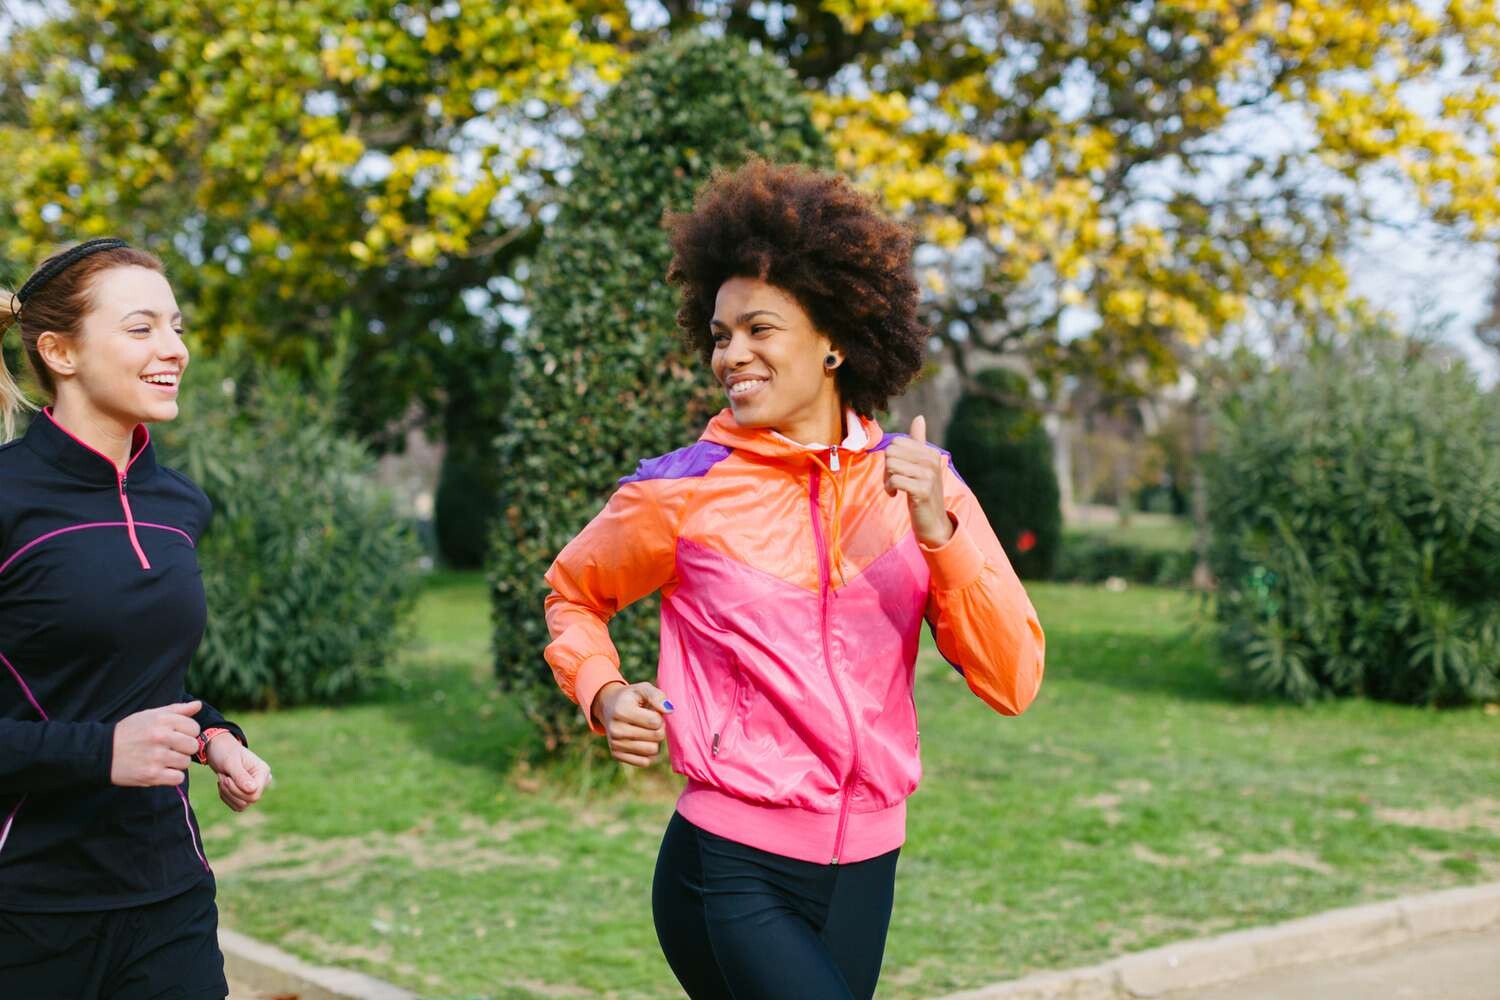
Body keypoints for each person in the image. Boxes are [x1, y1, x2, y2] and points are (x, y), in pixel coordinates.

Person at [542, 162, 1046, 1000]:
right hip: (728, 868)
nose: (730, 355)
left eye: (759, 329)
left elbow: (1013, 679)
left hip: (867, 869)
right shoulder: (684, 490)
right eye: (720, 334)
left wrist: (939, 535)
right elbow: (573, 595)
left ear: (834, 339)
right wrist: (604, 690)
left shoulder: (925, 486)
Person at [0, 238, 272, 999]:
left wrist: (215, 736)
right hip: (26, 910)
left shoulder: (179, 503)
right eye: (141, 327)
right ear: (60, 352)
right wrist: (101, 753)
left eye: (176, 327)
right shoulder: (8, 499)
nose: (174, 349)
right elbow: (101, 724)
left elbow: (140, 678)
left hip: (168, 896)